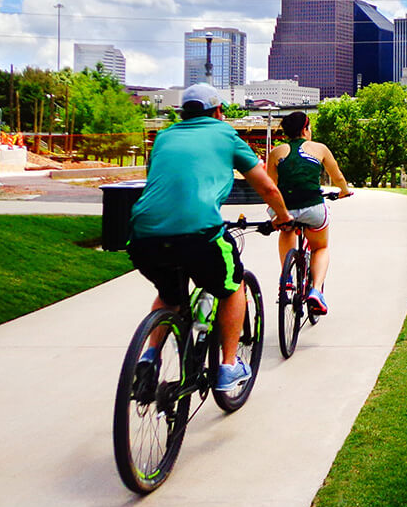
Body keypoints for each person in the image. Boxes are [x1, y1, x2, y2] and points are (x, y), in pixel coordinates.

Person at [127, 83, 293, 393]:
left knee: (170, 294)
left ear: (183, 113)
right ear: (218, 112)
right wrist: (283, 217)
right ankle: (228, 366)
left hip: (143, 235)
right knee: (232, 285)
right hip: (199, 233)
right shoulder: (226, 135)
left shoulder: (163, 137)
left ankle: (149, 357)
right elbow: (268, 188)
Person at [265, 110, 350, 316]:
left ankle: (286, 278)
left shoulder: (276, 153)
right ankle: (316, 291)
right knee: (320, 247)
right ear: (305, 129)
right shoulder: (319, 148)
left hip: (286, 209)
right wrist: (344, 191)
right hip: (312, 207)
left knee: (286, 230)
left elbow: (271, 185)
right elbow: (336, 175)